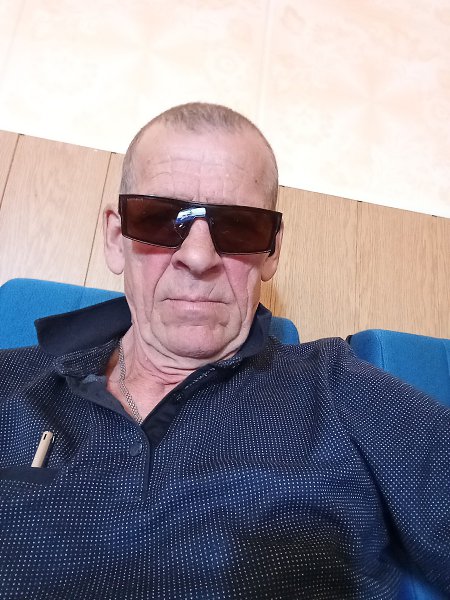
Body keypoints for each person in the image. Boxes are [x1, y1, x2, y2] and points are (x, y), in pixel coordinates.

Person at [0, 102, 449, 600]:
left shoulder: (339, 386)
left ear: (271, 249)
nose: (198, 256)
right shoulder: (9, 382)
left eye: (237, 227)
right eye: (160, 218)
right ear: (114, 236)